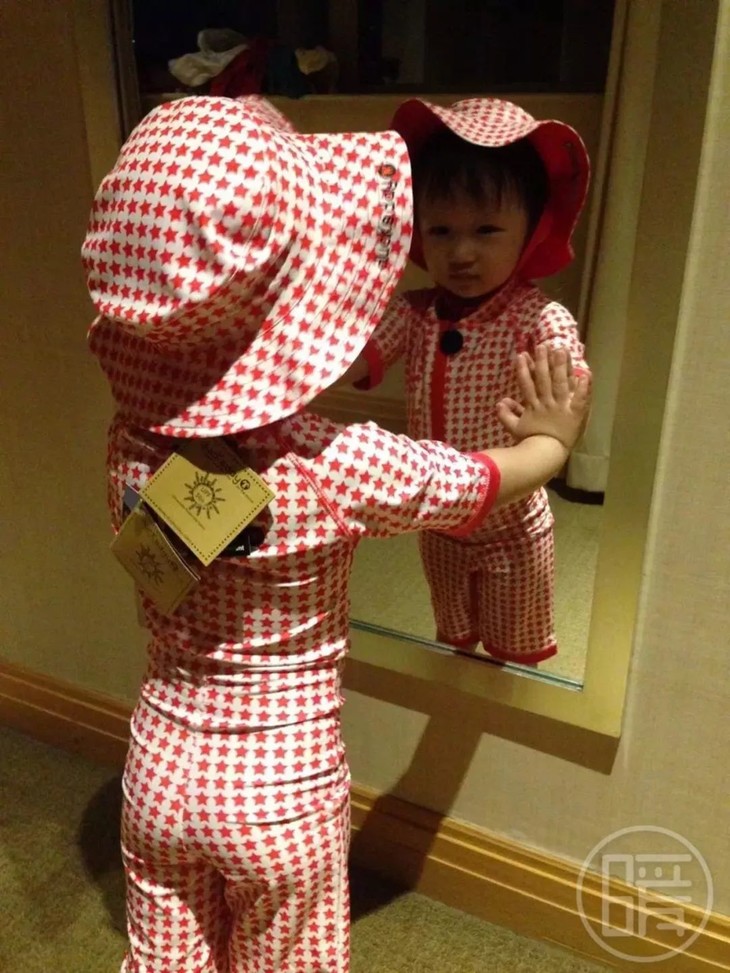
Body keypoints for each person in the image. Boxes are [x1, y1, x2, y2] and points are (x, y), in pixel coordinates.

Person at [82, 94, 590, 973]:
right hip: (281, 795)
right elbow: (472, 485)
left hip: (156, 774)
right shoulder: (338, 464)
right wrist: (550, 445)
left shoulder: (129, 444)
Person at [346, 97, 592, 666]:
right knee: (455, 639)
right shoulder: (415, 312)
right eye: (441, 230)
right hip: (438, 522)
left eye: (486, 230)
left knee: (511, 650)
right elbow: (352, 358)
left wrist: (559, 418)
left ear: (531, 231)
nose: (461, 253)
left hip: (512, 525)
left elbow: (565, 381)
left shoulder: (537, 318)